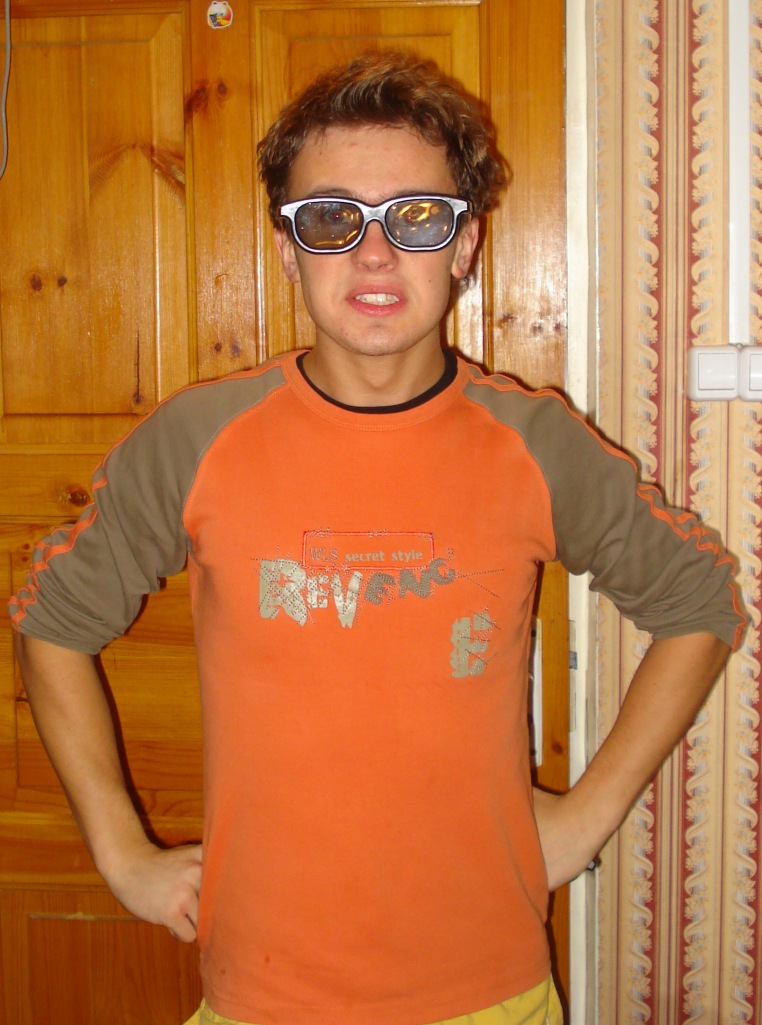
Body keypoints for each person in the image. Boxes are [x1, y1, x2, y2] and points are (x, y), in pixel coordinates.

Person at [9, 51, 745, 1025]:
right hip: (262, 990)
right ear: (287, 248)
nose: (373, 255)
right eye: (331, 219)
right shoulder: (199, 439)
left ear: (465, 244)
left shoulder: (532, 443)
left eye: (416, 217)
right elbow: (50, 622)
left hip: (490, 988)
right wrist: (122, 851)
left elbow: (702, 601)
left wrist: (586, 815)